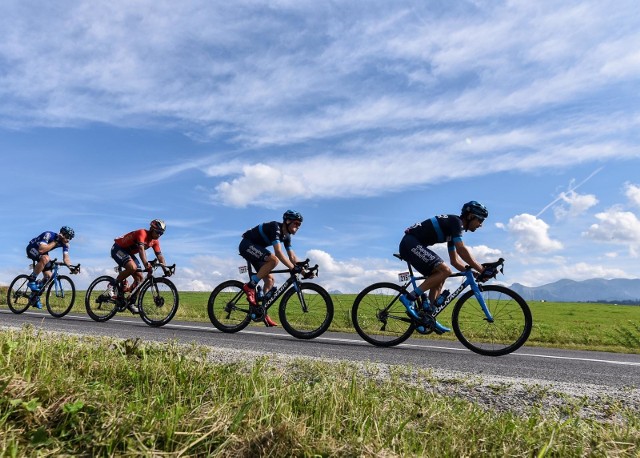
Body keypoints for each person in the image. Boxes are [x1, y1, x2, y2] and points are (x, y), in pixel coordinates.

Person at [398, 201, 488, 334]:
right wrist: (482, 269)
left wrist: (472, 272)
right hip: (409, 243)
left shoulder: (453, 231)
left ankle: (428, 317)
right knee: (444, 270)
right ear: (470, 216)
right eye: (480, 220)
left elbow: (455, 261)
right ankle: (409, 298)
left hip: (413, 244)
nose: (481, 225)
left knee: (441, 275)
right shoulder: (456, 222)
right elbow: (461, 250)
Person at [239, 210, 305, 327]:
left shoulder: (287, 237)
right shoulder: (276, 227)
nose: (298, 226)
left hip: (257, 250)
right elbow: (278, 252)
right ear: (287, 221)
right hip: (247, 245)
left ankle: (262, 312)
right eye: (296, 223)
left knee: (270, 280)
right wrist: (292, 268)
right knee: (274, 260)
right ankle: (250, 286)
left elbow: (292, 257)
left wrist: (303, 271)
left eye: (299, 224)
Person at [110, 219, 169, 313]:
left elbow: (160, 256)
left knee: (140, 279)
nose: (159, 235)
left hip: (128, 253)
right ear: (152, 229)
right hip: (118, 248)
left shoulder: (155, 241)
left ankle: (130, 303)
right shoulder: (142, 233)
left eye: (161, 233)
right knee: (132, 267)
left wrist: (165, 269)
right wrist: (146, 264)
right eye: (157, 232)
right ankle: (112, 285)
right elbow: (141, 250)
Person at [25, 226, 78, 309]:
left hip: (43, 253)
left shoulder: (65, 244)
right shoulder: (48, 235)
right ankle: (32, 280)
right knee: (46, 258)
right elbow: (41, 250)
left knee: (49, 277)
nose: (68, 240)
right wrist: (56, 241)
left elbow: (66, 258)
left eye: (70, 238)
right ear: (62, 234)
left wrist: (71, 268)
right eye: (68, 237)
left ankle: (34, 296)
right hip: (32, 248)